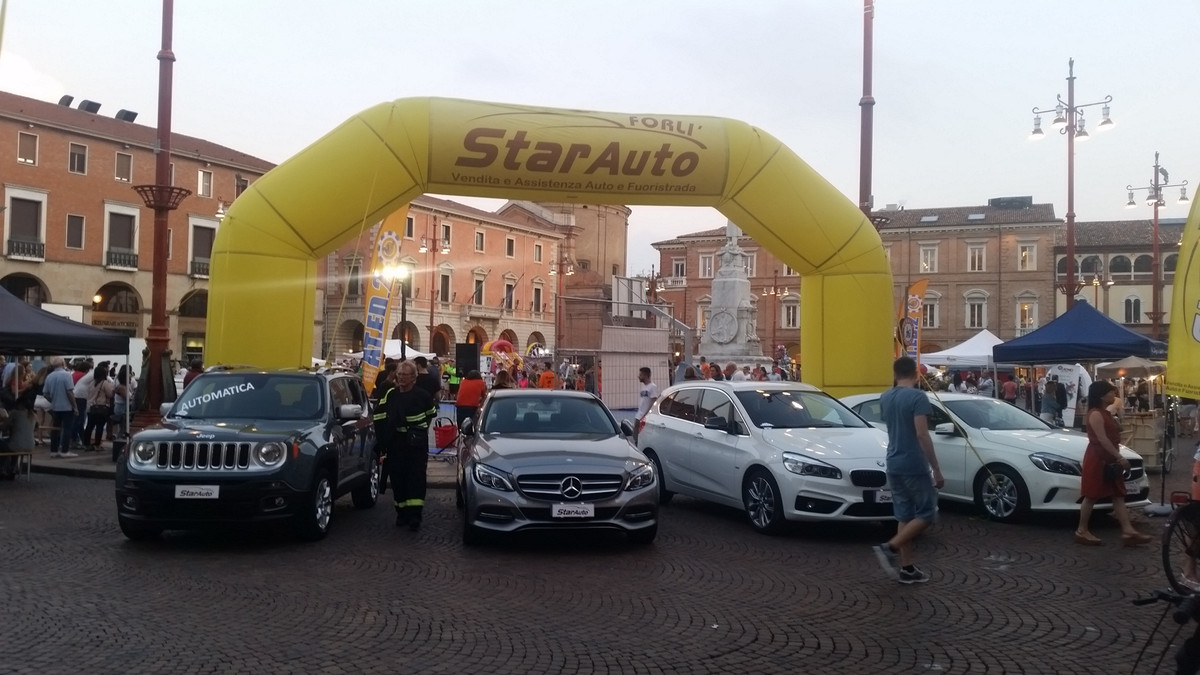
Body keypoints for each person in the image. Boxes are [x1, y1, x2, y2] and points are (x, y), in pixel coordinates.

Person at [873, 356, 943, 585]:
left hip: (893, 461)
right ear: (916, 373)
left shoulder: (886, 397)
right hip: (913, 462)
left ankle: (907, 568)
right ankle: (890, 547)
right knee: (926, 514)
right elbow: (922, 434)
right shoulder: (917, 397)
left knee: (904, 516)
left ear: (894, 374)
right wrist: (936, 468)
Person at [1073, 381, 1152, 548]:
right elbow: (1102, 439)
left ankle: (1128, 531)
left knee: (1117, 494)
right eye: (1111, 392)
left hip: (1109, 458)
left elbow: (1114, 433)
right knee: (1091, 495)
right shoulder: (1096, 414)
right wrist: (1120, 457)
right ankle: (1081, 530)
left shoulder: (1105, 412)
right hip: (1098, 459)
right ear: (1102, 395)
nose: (1114, 395)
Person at [384, 361, 438, 531]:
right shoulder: (391, 395)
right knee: (397, 477)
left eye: (405, 375)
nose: (401, 378)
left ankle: (415, 515)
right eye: (399, 374)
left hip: (416, 444)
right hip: (396, 442)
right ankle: (401, 512)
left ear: (414, 377)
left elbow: (430, 415)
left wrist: (419, 431)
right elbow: (382, 415)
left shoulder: (422, 396)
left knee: (416, 478)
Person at [42, 357, 78, 459]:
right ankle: (64, 450)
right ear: (63, 363)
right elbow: (69, 392)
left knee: (55, 429)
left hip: (55, 407)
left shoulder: (49, 376)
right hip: (67, 407)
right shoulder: (67, 375)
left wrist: (53, 400)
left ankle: (53, 450)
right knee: (67, 429)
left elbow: (45, 393)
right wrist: (75, 406)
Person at [84, 364, 116, 451]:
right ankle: (97, 444)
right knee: (99, 426)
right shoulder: (104, 383)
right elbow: (110, 394)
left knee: (89, 426)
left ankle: (86, 443)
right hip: (101, 408)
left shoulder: (92, 383)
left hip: (91, 407)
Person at [635, 367, 659, 432]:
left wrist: (645, 415)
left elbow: (653, 402)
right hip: (638, 416)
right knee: (635, 434)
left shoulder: (652, 387)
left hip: (644, 417)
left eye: (640, 375)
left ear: (645, 375)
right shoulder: (643, 387)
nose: (639, 377)